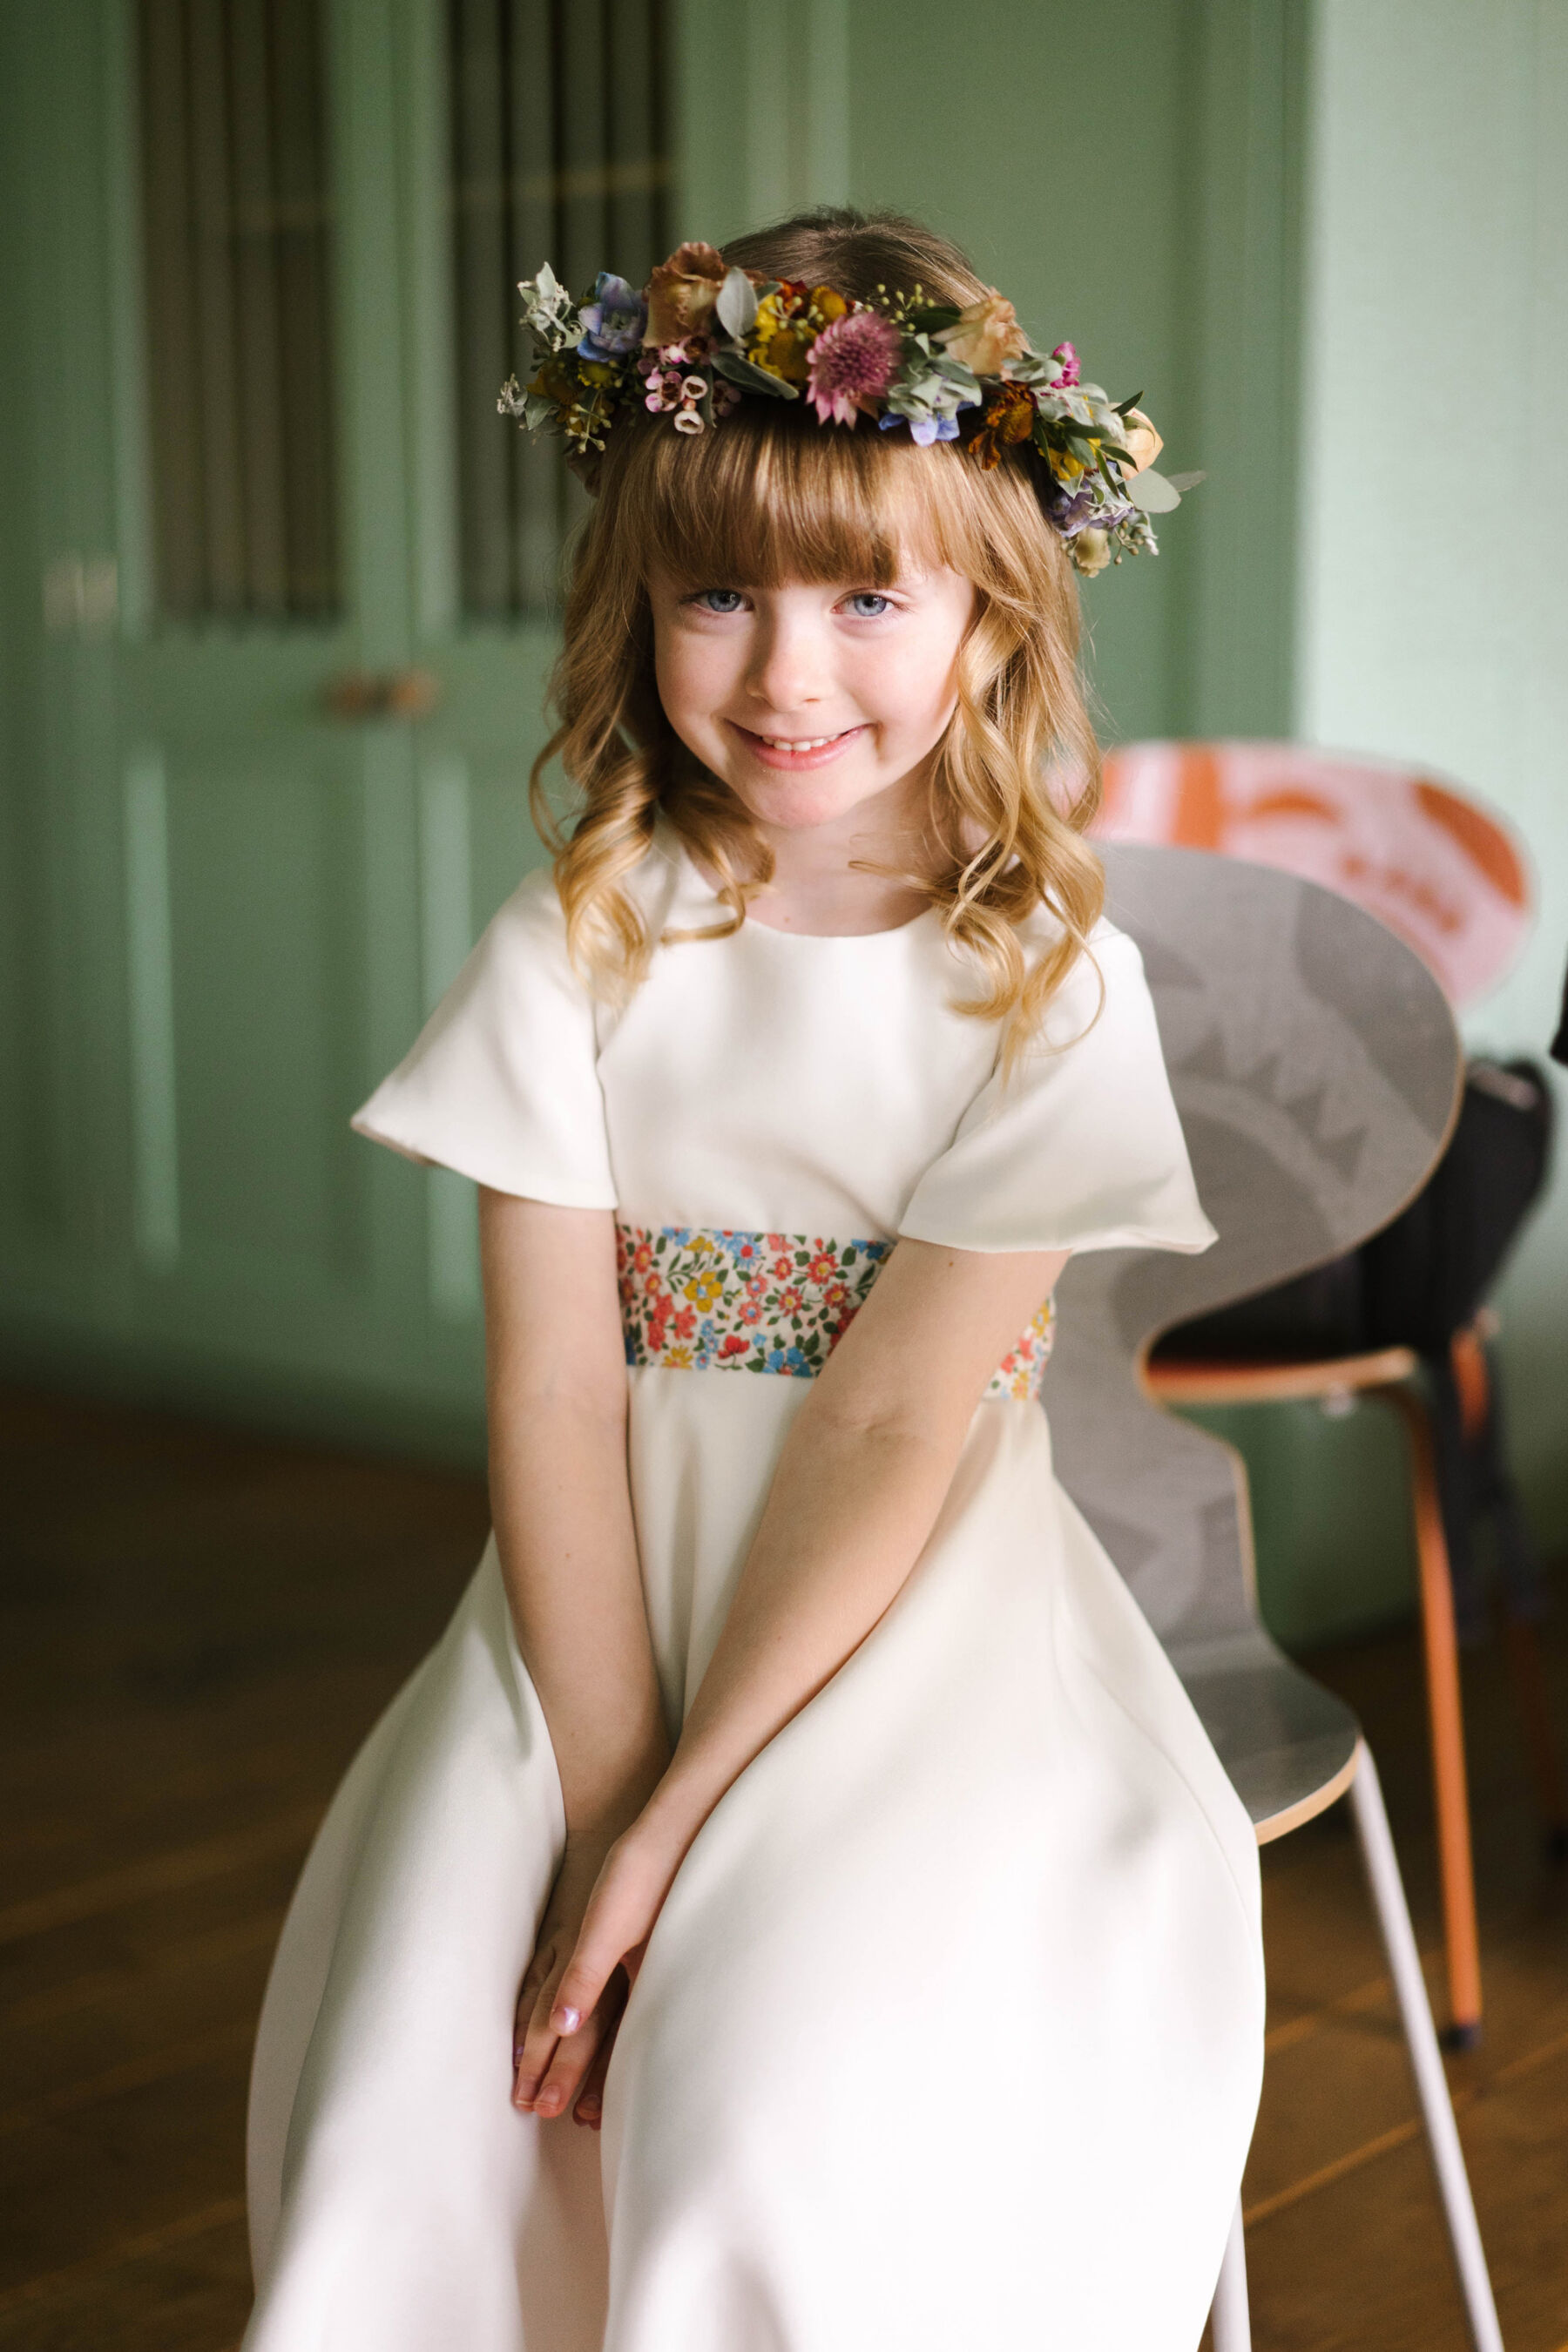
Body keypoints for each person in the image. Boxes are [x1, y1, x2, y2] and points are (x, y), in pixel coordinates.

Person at [242, 208, 1265, 2352]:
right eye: (720, 593)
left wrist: (681, 1835)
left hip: (906, 1615)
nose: (787, 673)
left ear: (990, 618)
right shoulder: (581, 945)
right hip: (593, 1608)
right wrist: (604, 1799)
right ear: (641, 605)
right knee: (432, 2082)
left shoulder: (1047, 987)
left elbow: (897, 1415)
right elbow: (557, 1397)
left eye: (867, 596)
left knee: (781, 2078)